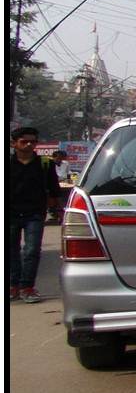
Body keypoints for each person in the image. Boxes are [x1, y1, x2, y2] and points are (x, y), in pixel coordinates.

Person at [8, 127, 60, 303]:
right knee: (11, 251)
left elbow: (54, 191)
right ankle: (12, 286)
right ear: (13, 143)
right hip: (10, 214)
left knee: (32, 251)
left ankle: (27, 287)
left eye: (33, 141)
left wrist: (55, 211)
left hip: (34, 215)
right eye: (24, 141)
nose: (29, 144)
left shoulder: (45, 164)